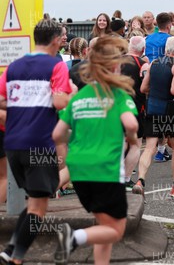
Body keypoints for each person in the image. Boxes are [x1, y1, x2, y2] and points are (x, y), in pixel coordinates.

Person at [51, 37, 139, 265]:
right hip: (106, 170)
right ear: (114, 66)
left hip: (79, 171)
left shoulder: (78, 97)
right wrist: (131, 138)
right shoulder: (119, 96)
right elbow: (131, 125)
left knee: (103, 224)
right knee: (117, 229)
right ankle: (73, 237)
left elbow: (57, 134)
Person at [0, 19, 74, 265]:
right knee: (39, 207)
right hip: (39, 143)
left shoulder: (14, 66)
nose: (63, 40)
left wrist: (23, 104)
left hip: (12, 143)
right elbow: (60, 102)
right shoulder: (56, 65)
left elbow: (1, 100)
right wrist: (72, 92)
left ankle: (11, 250)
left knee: (34, 201)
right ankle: (16, 257)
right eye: (62, 36)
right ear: (55, 40)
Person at [133, 36, 174, 198]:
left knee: (150, 147)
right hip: (170, 111)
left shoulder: (153, 64)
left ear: (166, 49)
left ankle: (140, 181)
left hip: (153, 108)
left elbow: (143, 87)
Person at [120, 36, 149, 189]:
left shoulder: (117, 61)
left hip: (115, 106)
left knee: (120, 142)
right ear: (143, 50)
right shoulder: (143, 64)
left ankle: (114, 174)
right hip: (135, 107)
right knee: (135, 144)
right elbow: (146, 85)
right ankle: (125, 178)